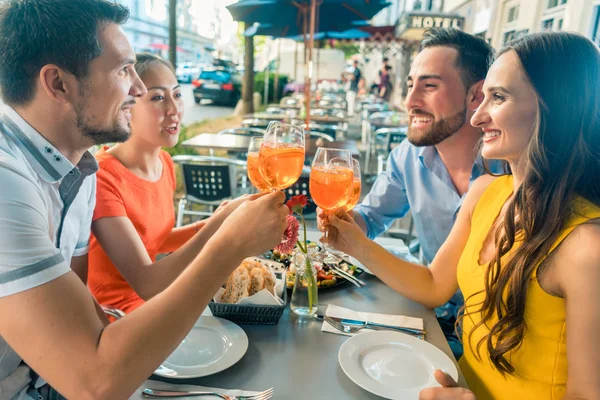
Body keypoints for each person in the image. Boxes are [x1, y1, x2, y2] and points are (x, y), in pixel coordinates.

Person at [0, 1, 288, 399]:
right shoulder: (6, 182)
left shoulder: (81, 170)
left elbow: (86, 319)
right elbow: (94, 383)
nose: (136, 89)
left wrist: (221, 222)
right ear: (58, 84)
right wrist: (230, 244)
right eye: (123, 70)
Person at [324, 31, 600, 400]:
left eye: (498, 97)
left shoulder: (587, 246)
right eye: (484, 97)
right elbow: (434, 286)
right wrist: (352, 242)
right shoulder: (486, 191)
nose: (478, 117)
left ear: (556, 106)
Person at [319, 28, 499, 355]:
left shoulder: (511, 171)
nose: (410, 101)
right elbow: (370, 217)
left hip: (491, 340)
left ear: (476, 95)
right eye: (410, 85)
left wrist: (357, 244)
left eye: (429, 86)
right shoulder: (407, 156)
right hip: (427, 316)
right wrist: (344, 223)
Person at [87, 54, 232, 314]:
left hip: (157, 305)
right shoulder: (101, 178)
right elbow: (147, 283)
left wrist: (218, 220)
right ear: (125, 106)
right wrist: (216, 234)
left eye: (177, 95)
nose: (174, 109)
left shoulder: (164, 163)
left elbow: (156, 241)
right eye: (157, 97)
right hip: (116, 321)